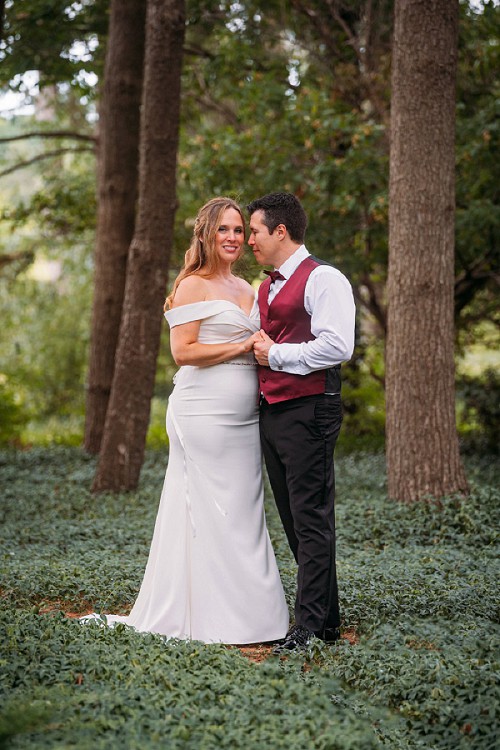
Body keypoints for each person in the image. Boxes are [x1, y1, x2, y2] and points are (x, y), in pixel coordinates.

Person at [82, 197, 289, 644]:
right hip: (203, 412)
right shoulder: (193, 285)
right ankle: (210, 619)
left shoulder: (248, 288)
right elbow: (183, 353)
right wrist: (242, 347)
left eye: (239, 230)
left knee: (243, 510)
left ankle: (252, 617)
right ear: (205, 235)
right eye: (224, 230)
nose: (234, 238)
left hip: (244, 415)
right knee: (211, 510)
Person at [246, 192, 355, 653]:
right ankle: (326, 620)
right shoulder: (267, 285)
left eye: (254, 231)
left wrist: (277, 354)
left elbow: (337, 347)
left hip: (310, 409)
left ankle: (308, 628)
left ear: (281, 231)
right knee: (294, 518)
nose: (249, 239)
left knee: (310, 519)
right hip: (274, 411)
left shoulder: (324, 279)